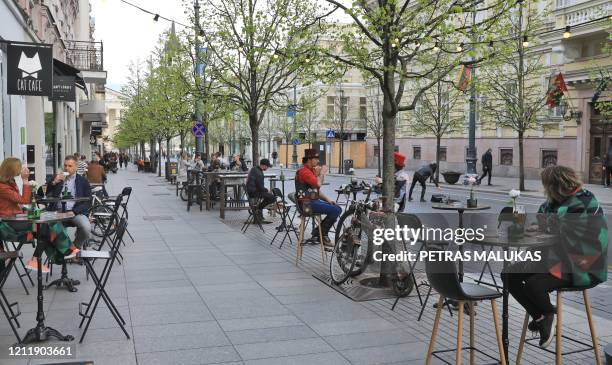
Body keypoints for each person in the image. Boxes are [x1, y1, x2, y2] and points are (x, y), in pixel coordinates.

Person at [502, 165, 608, 349]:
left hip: (582, 266)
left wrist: (544, 229)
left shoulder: (584, 202)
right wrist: (536, 228)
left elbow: (567, 234)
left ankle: (547, 315)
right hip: (554, 260)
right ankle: (543, 316)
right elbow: (545, 223)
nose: (545, 190)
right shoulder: (552, 203)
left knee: (535, 285)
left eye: (547, 186)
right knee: (508, 275)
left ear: (557, 185)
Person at [0, 158, 73, 272]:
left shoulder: (10, 183)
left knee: (49, 224)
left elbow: (19, 202)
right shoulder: (2, 187)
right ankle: (66, 251)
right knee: (44, 227)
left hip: (17, 218)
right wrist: (25, 180)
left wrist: (24, 209)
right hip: (8, 224)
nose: (22, 169)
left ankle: (60, 253)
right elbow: (24, 200)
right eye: (19, 167)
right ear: (12, 169)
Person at [295, 149, 341, 246]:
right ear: (309, 159)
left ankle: (319, 233)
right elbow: (318, 184)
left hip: (312, 201)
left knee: (336, 208)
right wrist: (321, 173)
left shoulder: (310, 171)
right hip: (306, 205)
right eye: (316, 158)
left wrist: (328, 200)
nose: (318, 161)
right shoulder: (304, 172)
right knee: (335, 210)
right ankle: (321, 234)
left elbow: (317, 190)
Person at [46, 156, 92, 252]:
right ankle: (64, 250)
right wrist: (54, 182)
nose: (66, 168)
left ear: (75, 167)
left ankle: (74, 248)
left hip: (75, 212)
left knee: (86, 228)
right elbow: (41, 193)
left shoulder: (82, 181)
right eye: (65, 165)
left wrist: (74, 212)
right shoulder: (57, 178)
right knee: (49, 227)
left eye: (70, 166)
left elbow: (88, 201)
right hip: (57, 212)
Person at [246, 159, 275, 224]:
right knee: (272, 198)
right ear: (264, 165)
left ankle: (259, 211)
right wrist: (267, 190)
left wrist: (265, 191)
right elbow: (261, 187)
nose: (267, 168)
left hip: (251, 190)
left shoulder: (254, 168)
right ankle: (258, 209)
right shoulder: (259, 173)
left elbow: (259, 187)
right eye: (267, 166)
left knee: (268, 195)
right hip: (254, 192)